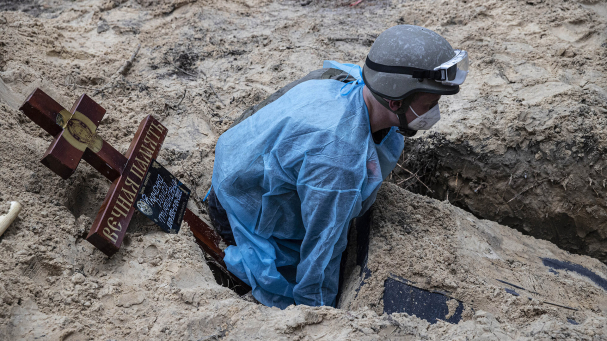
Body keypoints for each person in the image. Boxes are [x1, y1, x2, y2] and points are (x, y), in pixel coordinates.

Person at [206, 25, 469, 308]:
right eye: (430, 102)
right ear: (395, 101)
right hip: (243, 210)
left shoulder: (349, 82)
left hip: (241, 173)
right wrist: (318, 310)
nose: (434, 111)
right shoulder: (338, 160)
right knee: (293, 277)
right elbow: (322, 249)